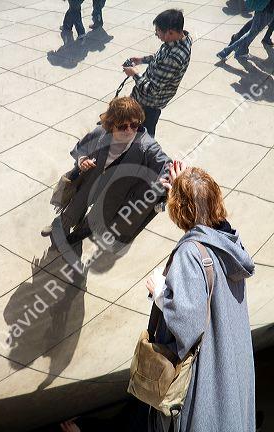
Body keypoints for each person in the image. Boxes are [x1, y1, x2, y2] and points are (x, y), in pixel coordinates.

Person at [146, 162, 255, 431]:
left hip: (208, 384)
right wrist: (189, 191)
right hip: (233, 386)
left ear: (179, 209)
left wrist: (160, 293)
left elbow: (187, 324)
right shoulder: (231, 248)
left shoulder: (190, 253)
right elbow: (214, 223)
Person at [41, 97, 171, 254]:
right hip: (92, 180)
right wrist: (82, 160)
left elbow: (165, 164)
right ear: (111, 124)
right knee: (74, 208)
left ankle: (75, 240)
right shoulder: (100, 132)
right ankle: (59, 227)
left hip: (115, 190)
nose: (129, 130)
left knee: (95, 219)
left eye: (135, 125)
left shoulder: (147, 146)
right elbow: (81, 148)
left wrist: (167, 179)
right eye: (123, 126)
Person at [123, 9, 192, 137]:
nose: (156, 34)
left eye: (158, 31)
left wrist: (134, 74)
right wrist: (142, 60)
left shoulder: (174, 58)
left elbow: (152, 90)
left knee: (143, 140)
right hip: (144, 100)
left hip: (148, 105)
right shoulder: (177, 40)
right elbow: (159, 58)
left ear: (170, 32)